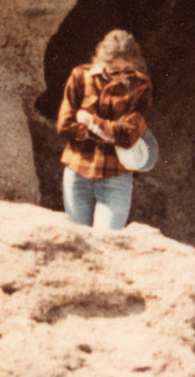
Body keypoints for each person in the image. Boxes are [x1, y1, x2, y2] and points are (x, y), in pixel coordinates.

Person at [54, 29, 153, 231]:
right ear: (101, 62)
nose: (121, 76)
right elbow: (64, 125)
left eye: (128, 70)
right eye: (114, 70)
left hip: (115, 177)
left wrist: (91, 122)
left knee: (107, 242)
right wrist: (109, 131)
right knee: (79, 241)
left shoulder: (141, 85)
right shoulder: (80, 76)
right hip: (77, 172)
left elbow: (128, 137)